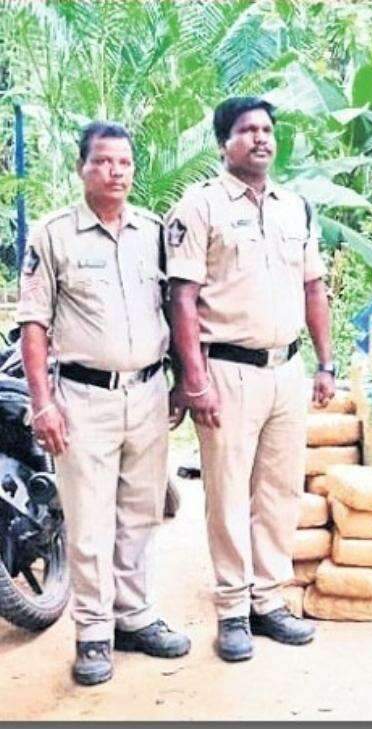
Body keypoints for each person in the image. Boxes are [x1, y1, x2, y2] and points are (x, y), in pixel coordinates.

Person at [16, 121, 190, 686]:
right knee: (89, 520)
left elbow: (174, 308)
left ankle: (133, 616)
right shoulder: (54, 235)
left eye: (125, 163)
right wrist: (43, 404)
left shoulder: (153, 232)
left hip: (148, 393)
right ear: (82, 168)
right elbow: (34, 324)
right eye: (103, 162)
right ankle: (93, 634)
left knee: (141, 511)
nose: (116, 172)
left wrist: (181, 380)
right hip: (83, 398)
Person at [166, 96, 335, 662]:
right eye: (247, 130)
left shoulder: (295, 208)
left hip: (287, 370)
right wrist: (194, 380)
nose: (261, 138)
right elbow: (182, 298)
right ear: (224, 143)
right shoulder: (200, 207)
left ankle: (268, 600)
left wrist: (325, 363)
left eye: (267, 129)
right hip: (227, 371)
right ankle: (232, 609)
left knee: (280, 491)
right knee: (227, 493)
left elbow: (314, 288)